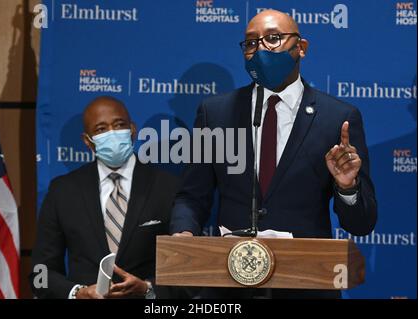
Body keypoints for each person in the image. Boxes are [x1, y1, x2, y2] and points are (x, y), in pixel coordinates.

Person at [170, 9, 377, 298]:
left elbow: (361, 223)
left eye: (273, 39)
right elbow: (192, 195)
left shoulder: (338, 118)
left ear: (301, 48)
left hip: (304, 286)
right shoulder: (214, 113)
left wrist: (347, 187)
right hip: (229, 286)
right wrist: (184, 233)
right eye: (251, 43)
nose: (260, 49)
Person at [30, 96, 179, 299]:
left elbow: (186, 268)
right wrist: (77, 293)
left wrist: (148, 288)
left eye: (119, 125)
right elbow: (40, 273)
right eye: (101, 129)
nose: (112, 133)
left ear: (132, 130)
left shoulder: (168, 187)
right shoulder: (62, 191)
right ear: (87, 141)